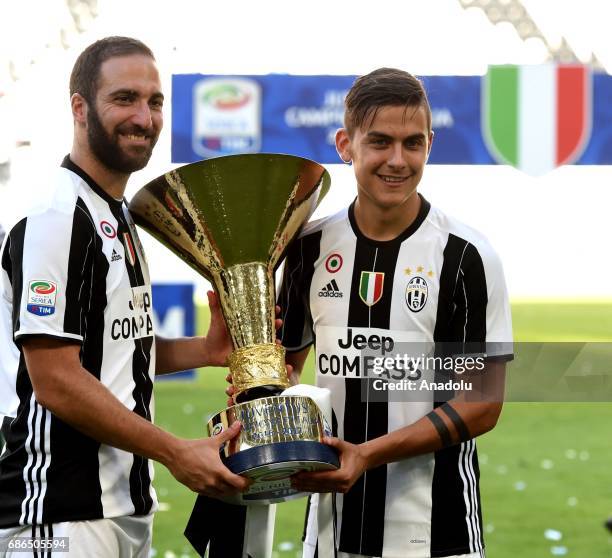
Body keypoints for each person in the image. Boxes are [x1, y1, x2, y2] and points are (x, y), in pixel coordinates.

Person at [0, 36, 249, 557]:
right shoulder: (57, 216)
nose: (144, 116)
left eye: (155, 101)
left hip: (120, 508)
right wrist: (175, 451)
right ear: (79, 106)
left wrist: (203, 351)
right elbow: (57, 380)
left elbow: (114, 353)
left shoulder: (117, 214)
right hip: (58, 516)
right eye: (125, 98)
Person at [276, 68, 513, 558]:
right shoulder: (306, 248)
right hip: (329, 530)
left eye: (413, 143)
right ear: (346, 144)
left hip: (437, 533)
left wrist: (365, 455)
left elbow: (482, 403)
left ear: (430, 143)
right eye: (380, 142)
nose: (397, 160)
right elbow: (285, 368)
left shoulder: (465, 256)